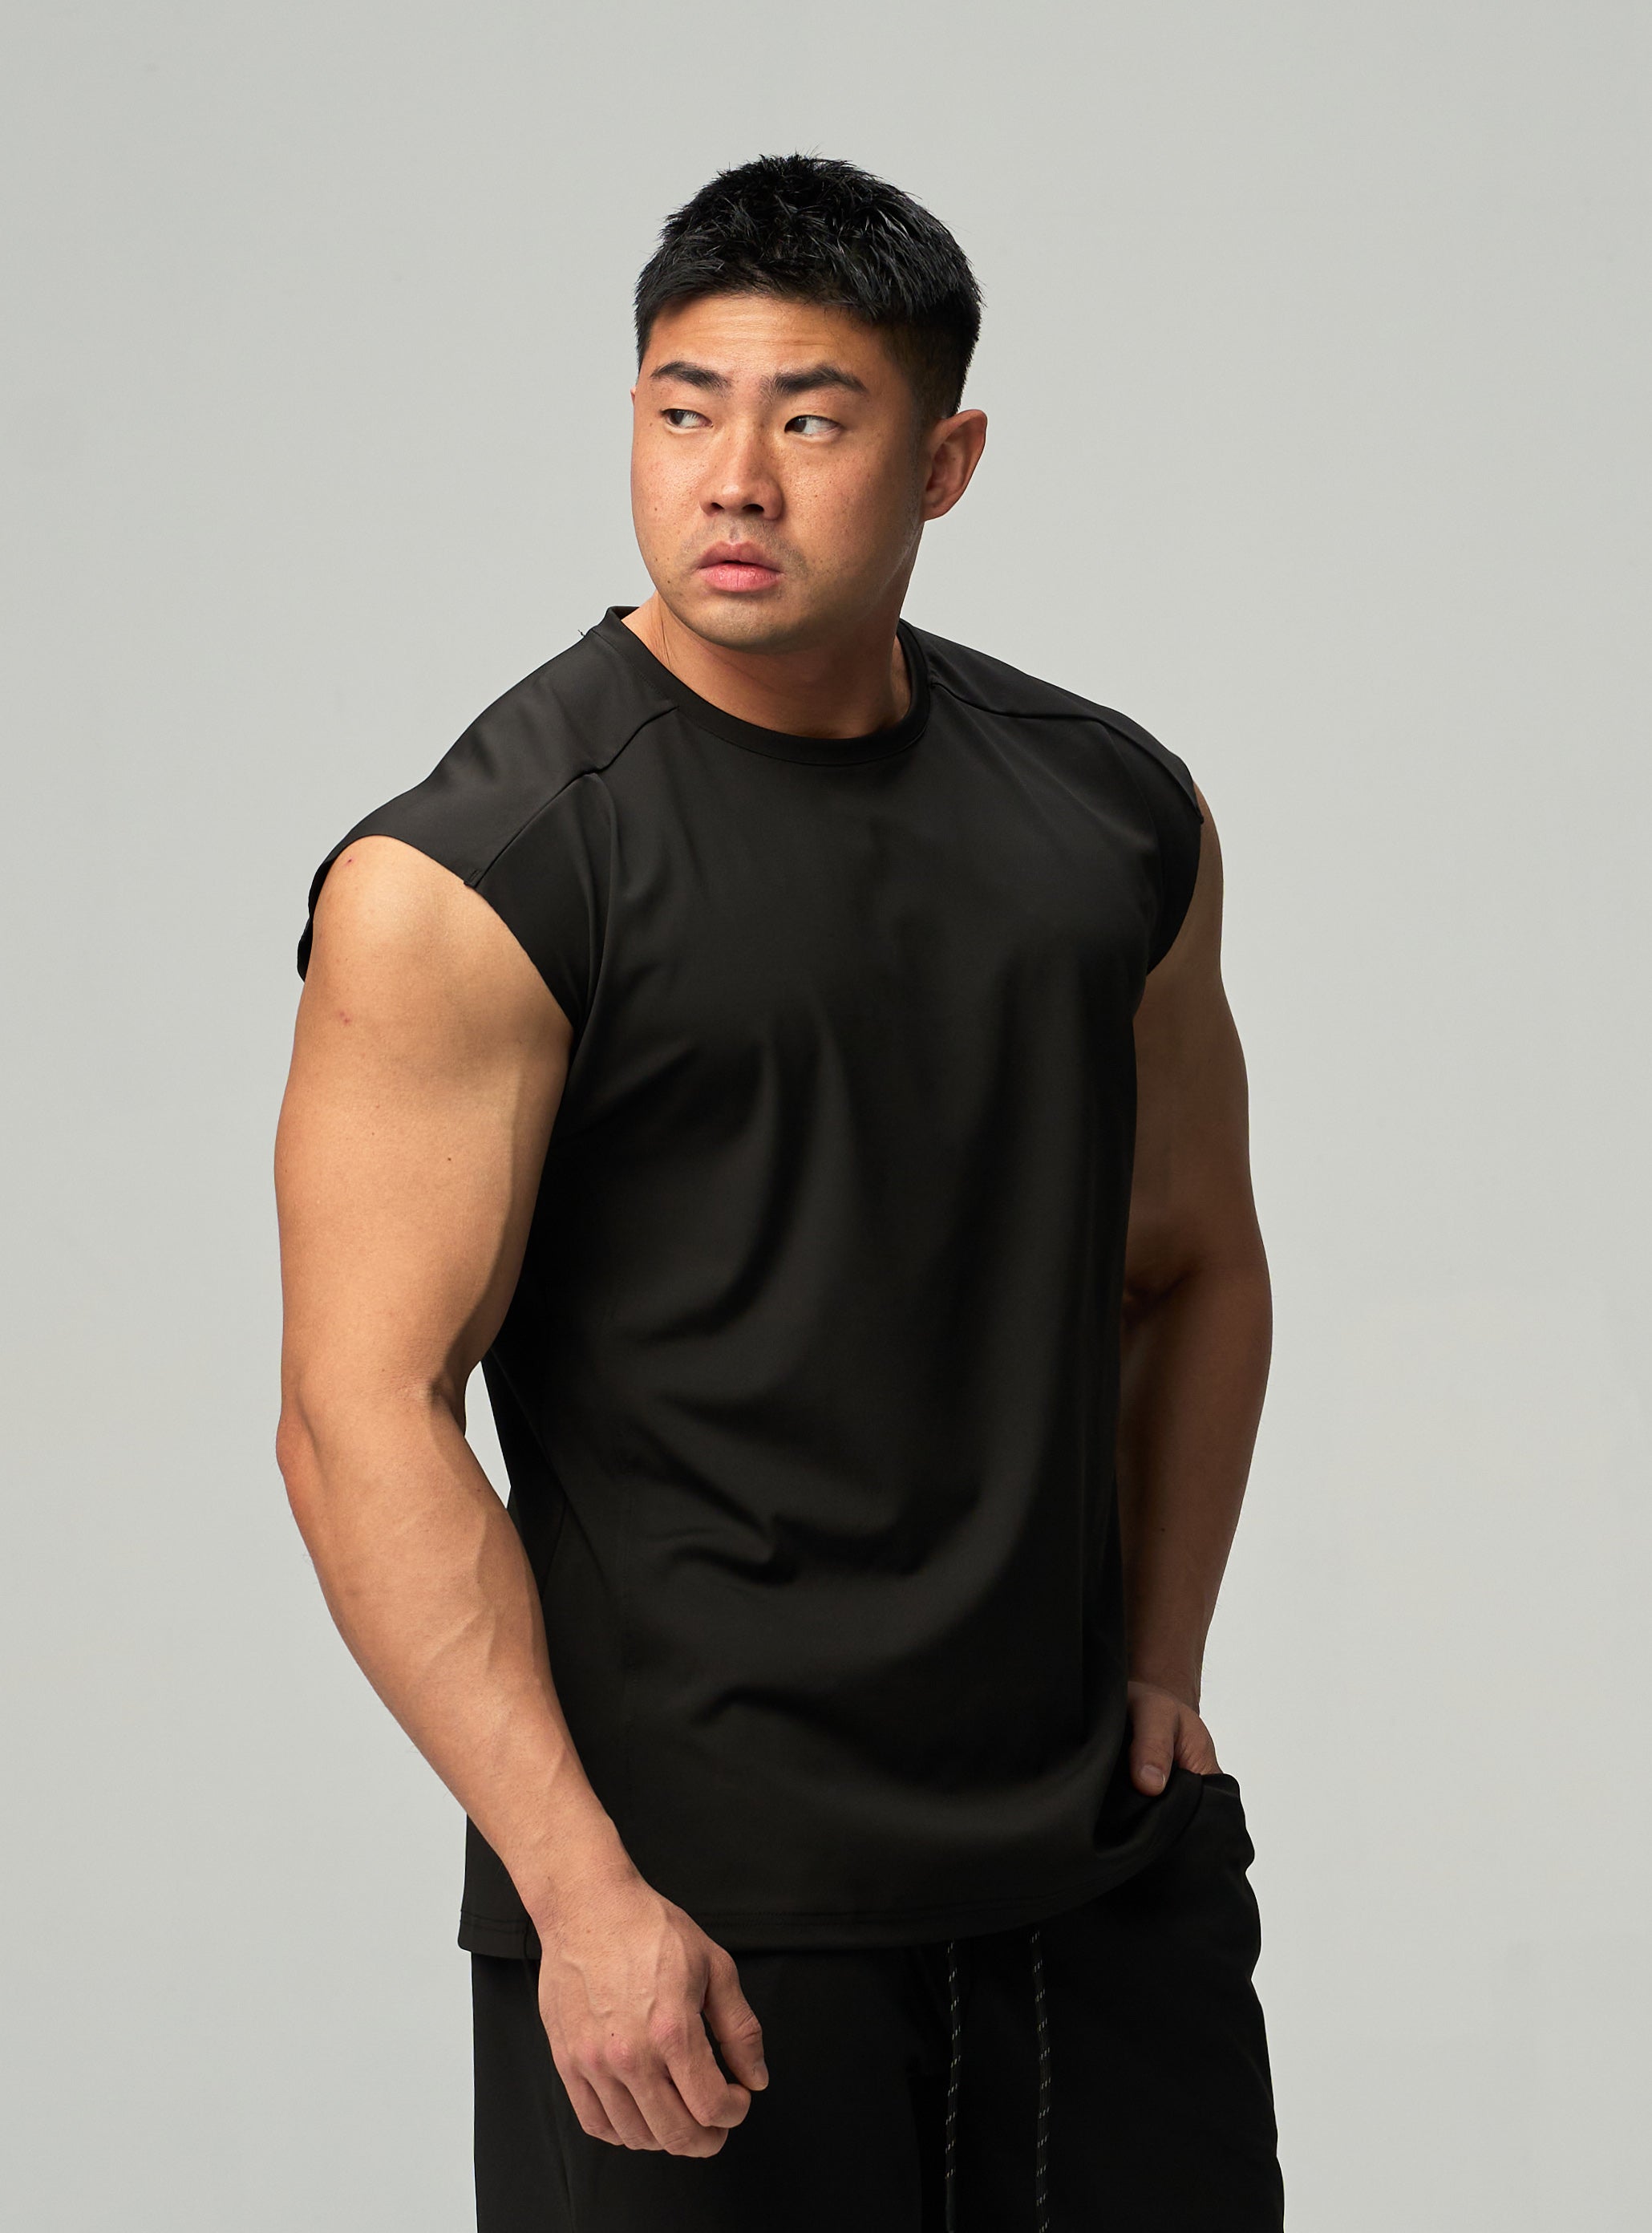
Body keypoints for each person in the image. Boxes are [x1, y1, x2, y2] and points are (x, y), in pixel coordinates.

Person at [274, 153, 1283, 2232]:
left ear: (944, 462)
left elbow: (1191, 1258)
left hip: (1088, 1890)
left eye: (812, 419)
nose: (732, 477)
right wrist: (580, 1893)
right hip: (698, 1924)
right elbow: (355, 1413)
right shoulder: (477, 874)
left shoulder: (1112, 813)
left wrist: (1161, 1659)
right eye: (683, 409)